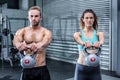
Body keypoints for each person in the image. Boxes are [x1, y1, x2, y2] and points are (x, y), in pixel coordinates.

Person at [13, 6, 52, 80]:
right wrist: (18, 45)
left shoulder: (46, 32)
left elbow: (47, 40)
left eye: (36, 16)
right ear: (28, 17)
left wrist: (38, 45)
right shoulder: (22, 31)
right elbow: (16, 39)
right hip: (27, 69)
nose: (34, 18)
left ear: (41, 17)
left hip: (41, 68)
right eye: (31, 16)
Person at [73, 9, 104, 80]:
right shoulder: (78, 34)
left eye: (91, 18)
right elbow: (78, 40)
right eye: (86, 18)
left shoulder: (99, 34)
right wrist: (84, 43)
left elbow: (102, 41)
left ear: (94, 19)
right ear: (83, 19)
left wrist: (99, 43)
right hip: (81, 68)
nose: (89, 20)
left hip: (95, 69)